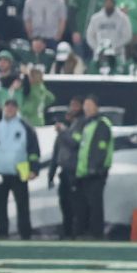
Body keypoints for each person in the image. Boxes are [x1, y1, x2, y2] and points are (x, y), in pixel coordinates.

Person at [0, 98, 39, 239]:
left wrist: (34, 168)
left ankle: (25, 232)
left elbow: (33, 149)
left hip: (18, 171)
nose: (10, 109)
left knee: (22, 205)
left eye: (12, 107)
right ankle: (2, 232)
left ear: (17, 109)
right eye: (8, 106)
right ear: (4, 108)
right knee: (0, 205)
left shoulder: (24, 126)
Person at [72, 96, 114, 240]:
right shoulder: (87, 124)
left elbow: (100, 149)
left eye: (90, 105)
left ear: (97, 107)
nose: (87, 108)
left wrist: (94, 168)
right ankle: (84, 232)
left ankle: (96, 233)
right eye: (85, 105)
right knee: (84, 204)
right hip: (84, 172)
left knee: (95, 204)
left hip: (95, 173)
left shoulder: (102, 124)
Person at [47, 96, 84, 239]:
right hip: (64, 172)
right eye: (71, 105)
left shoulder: (82, 125)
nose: (72, 108)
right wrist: (51, 174)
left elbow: (75, 144)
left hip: (76, 172)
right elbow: (56, 153)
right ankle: (67, 232)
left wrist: (63, 132)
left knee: (76, 205)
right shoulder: (66, 128)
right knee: (65, 203)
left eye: (76, 105)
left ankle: (77, 232)